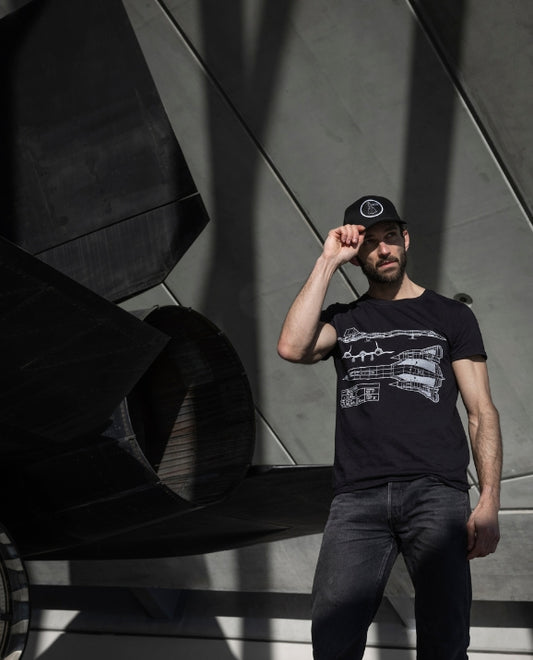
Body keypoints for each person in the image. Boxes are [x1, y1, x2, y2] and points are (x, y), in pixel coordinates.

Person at [277, 195, 502, 660]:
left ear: (406, 240)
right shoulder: (344, 319)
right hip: (356, 500)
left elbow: (481, 411)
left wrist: (489, 501)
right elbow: (292, 348)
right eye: (371, 243)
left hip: (436, 493)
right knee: (332, 641)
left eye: (391, 237)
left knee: (445, 640)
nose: (383, 249)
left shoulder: (451, 316)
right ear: (357, 255)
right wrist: (327, 260)